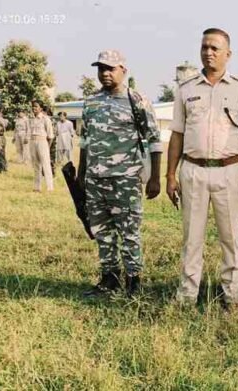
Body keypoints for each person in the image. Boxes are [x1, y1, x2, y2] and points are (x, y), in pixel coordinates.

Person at [166, 28, 238, 309]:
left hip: (228, 172)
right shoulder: (186, 89)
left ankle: (231, 296)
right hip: (193, 170)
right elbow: (177, 135)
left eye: (215, 48)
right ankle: (187, 296)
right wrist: (170, 175)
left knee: (230, 238)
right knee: (191, 239)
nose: (208, 52)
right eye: (205, 47)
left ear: (228, 54)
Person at [79, 50, 163, 298]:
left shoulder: (136, 100)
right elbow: (85, 142)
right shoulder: (91, 102)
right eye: (101, 68)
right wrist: (82, 175)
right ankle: (109, 280)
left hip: (126, 179)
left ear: (123, 71)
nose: (105, 73)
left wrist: (156, 178)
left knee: (129, 233)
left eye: (110, 68)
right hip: (95, 179)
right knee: (102, 232)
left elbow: (154, 140)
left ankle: (134, 283)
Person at [29, 101, 54, 192]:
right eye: (33, 106)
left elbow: (50, 136)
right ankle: (37, 187)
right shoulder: (31, 119)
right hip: (33, 142)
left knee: (46, 165)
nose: (34, 108)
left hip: (42, 142)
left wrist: (48, 147)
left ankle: (49, 187)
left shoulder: (45, 119)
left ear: (41, 108)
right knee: (36, 166)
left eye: (36, 106)